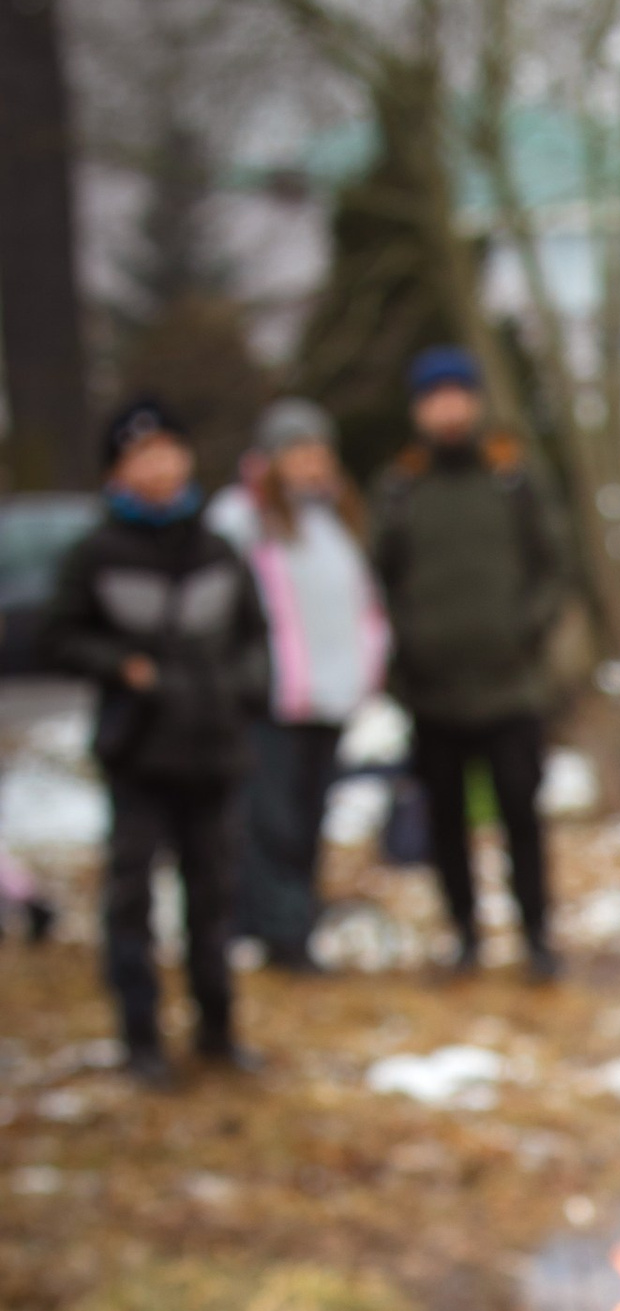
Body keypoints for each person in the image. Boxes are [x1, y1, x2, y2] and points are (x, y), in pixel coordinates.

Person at [42, 395, 268, 1083]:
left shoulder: (218, 549)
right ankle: (140, 1038)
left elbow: (255, 638)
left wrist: (237, 691)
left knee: (215, 899)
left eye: (169, 448)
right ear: (118, 468)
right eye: (142, 453)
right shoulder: (95, 552)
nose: (159, 465)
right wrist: (122, 667)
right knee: (133, 901)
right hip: (139, 754)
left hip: (212, 749)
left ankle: (218, 1030)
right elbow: (58, 637)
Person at [370, 345, 570, 978]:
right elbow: (377, 583)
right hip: (433, 693)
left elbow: (552, 565)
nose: (448, 409)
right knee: (447, 823)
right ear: (419, 409)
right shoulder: (400, 489)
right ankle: (463, 935)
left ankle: (536, 936)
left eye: (458, 395)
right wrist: (409, 647)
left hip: (511, 689)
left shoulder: (510, 477)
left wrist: (526, 630)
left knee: (520, 815)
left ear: (475, 401)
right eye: (435, 399)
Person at [209, 397, 384, 970]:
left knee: (308, 818)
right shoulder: (241, 517)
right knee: (273, 821)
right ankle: (279, 934)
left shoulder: (334, 518)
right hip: (273, 699)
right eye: (299, 451)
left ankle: (295, 919)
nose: (312, 463)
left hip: (332, 698)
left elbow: (356, 603)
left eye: (319, 450)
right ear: (273, 457)